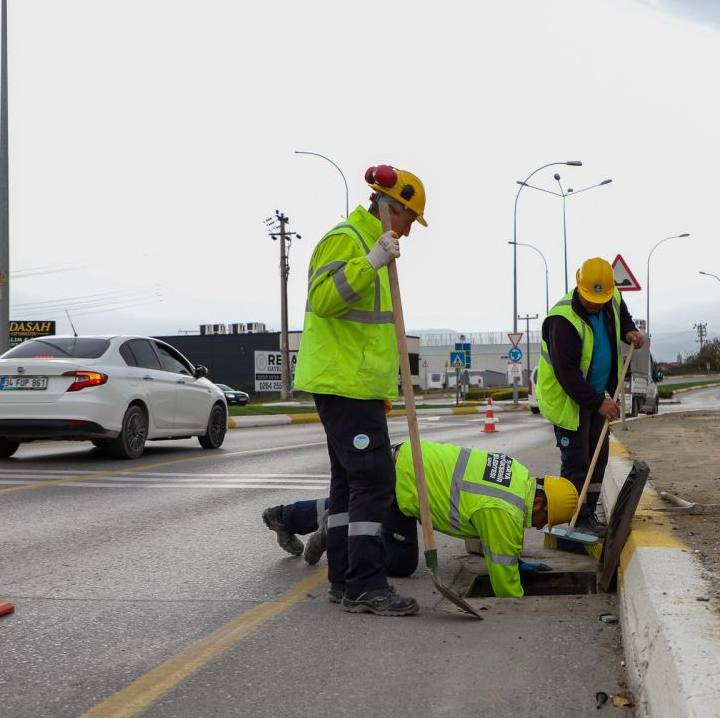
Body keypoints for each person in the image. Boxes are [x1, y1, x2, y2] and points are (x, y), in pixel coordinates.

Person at [268, 164, 426, 617]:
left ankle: (342, 579)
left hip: (358, 387)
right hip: (343, 384)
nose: (410, 231)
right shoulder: (348, 240)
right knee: (374, 480)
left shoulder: (374, 243)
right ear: (389, 207)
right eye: (408, 219)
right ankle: (365, 584)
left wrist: (384, 388)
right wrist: (370, 262)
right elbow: (324, 299)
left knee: (348, 485)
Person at [263, 440, 579, 598]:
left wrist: (515, 559)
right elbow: (506, 587)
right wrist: (518, 586)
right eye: (544, 519)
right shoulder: (505, 511)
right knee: (400, 563)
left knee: (350, 501)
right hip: (403, 485)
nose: (539, 527)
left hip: (405, 458)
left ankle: (283, 517)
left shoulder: (518, 475)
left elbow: (478, 520)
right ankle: (338, 528)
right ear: (539, 500)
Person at [535, 257, 643, 538]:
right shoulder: (562, 320)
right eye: (590, 298)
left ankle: (588, 515)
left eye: (601, 298)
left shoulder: (611, 296)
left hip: (596, 395)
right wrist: (599, 402)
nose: (596, 304)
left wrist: (629, 331)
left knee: (599, 458)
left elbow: (622, 315)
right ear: (579, 287)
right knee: (577, 462)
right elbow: (567, 373)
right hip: (568, 399)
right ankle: (575, 518)